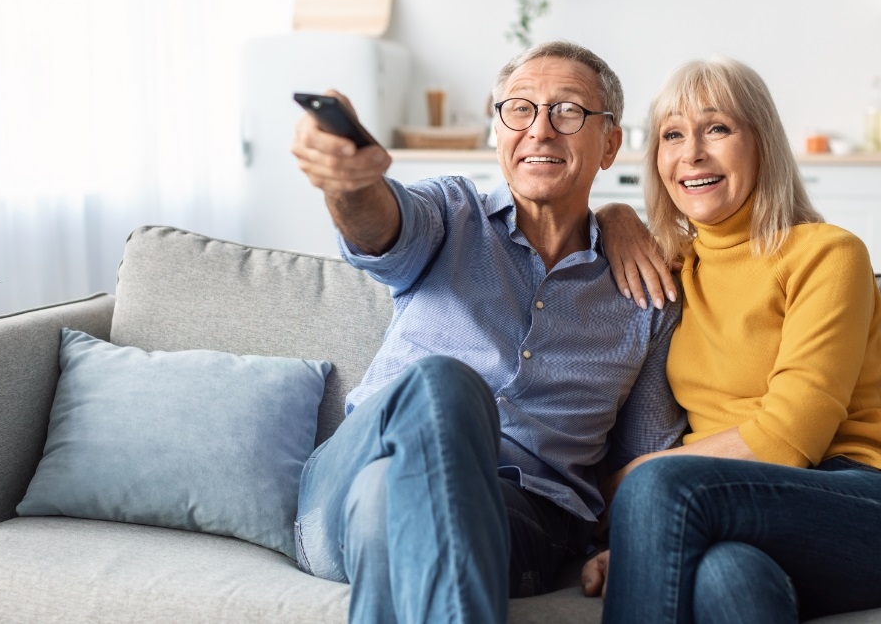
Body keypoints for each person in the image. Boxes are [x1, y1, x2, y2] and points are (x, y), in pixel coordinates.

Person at [289, 40, 683, 624]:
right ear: (497, 129)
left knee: (386, 501)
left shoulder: (647, 294)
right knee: (444, 387)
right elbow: (381, 226)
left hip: (521, 519)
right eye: (518, 109)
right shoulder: (451, 214)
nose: (540, 130)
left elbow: (647, 457)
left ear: (610, 144)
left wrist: (628, 544)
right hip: (343, 484)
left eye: (568, 111)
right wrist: (348, 184)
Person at [580, 57, 881, 623]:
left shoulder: (826, 254)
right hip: (733, 514)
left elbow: (790, 437)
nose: (692, 152)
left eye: (717, 128)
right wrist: (614, 213)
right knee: (730, 579)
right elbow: (590, 228)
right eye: (673, 135)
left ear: (763, 144)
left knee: (657, 484)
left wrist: (635, 486)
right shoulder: (672, 267)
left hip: (866, 507)